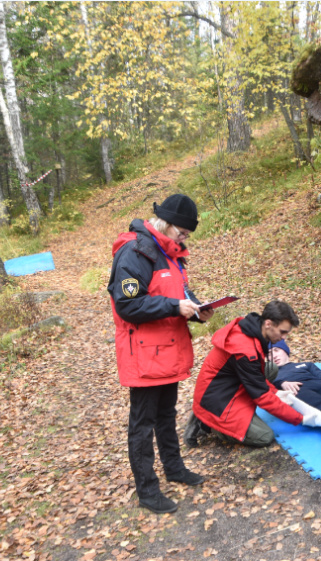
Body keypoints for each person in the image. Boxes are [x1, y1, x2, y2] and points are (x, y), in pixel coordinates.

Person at [108, 194, 214, 514]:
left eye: (187, 235)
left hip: (168, 351)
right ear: (165, 224)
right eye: (181, 232)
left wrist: (197, 310)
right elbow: (127, 304)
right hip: (143, 355)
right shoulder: (135, 251)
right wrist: (173, 307)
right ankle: (147, 490)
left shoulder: (172, 254)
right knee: (142, 424)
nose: (184, 238)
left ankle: (175, 469)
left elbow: (180, 294)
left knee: (167, 415)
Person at [188, 300, 305, 448]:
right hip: (217, 400)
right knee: (264, 436)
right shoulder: (244, 350)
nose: (284, 338)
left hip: (227, 385)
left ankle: (207, 413)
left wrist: (275, 392)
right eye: (282, 332)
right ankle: (207, 423)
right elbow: (262, 397)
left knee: (271, 368)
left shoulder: (253, 329)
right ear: (268, 324)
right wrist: (301, 419)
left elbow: (257, 376)